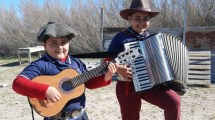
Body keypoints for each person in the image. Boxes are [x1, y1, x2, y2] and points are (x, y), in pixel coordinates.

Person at [12, 22, 118, 120]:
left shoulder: (77, 63)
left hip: (80, 116)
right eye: (53, 43)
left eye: (64, 42)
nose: (60, 47)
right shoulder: (40, 65)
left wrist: (106, 76)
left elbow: (88, 83)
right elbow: (17, 83)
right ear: (44, 46)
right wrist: (45, 90)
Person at [106, 0, 181, 120]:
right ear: (129, 18)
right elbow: (105, 62)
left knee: (173, 101)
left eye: (145, 18)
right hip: (127, 86)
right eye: (137, 18)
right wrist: (119, 69)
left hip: (151, 83)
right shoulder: (120, 38)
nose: (141, 22)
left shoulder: (151, 38)